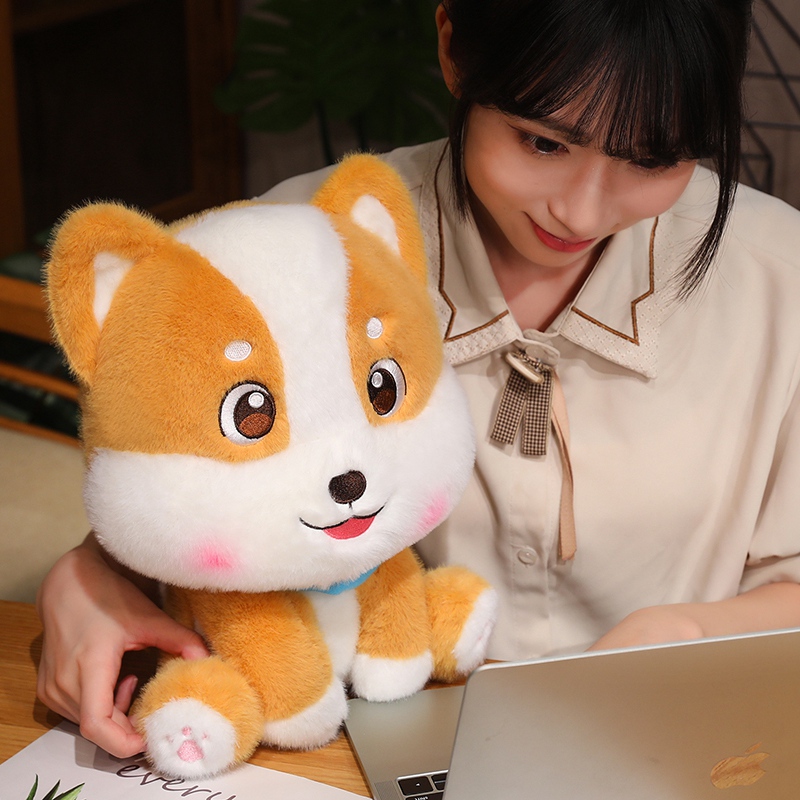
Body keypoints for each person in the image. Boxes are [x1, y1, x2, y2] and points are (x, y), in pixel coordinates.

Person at [36, 0, 800, 761]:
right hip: (337, 755)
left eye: (653, 159)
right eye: (543, 142)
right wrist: (86, 580)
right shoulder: (291, 248)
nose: (581, 210)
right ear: (454, 48)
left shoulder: (781, 280)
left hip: (685, 751)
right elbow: (187, 503)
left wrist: (690, 630)